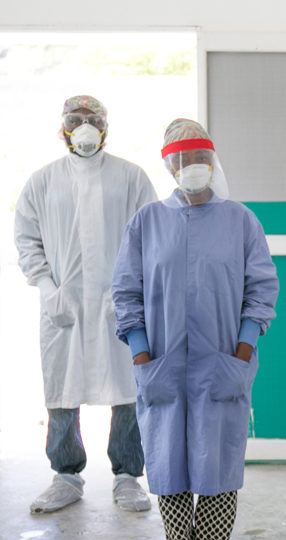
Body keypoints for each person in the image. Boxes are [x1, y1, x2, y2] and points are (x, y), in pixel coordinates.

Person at [112, 119, 279, 540]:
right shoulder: (146, 222)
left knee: (218, 470)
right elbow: (126, 291)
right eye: (184, 160)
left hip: (222, 365)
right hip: (162, 367)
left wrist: (243, 349)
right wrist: (141, 353)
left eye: (201, 158)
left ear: (212, 159)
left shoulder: (240, 221)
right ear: (170, 167)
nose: (193, 167)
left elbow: (260, 289)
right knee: (169, 471)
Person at [14, 95, 156, 514]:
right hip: (65, 306)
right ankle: (66, 474)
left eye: (92, 119)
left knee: (127, 386)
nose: (84, 127)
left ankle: (128, 476)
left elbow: (151, 236)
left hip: (120, 303)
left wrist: (131, 290)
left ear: (106, 126)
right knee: (62, 387)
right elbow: (27, 239)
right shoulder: (43, 181)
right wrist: (46, 287)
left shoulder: (131, 177)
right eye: (76, 120)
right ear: (62, 127)